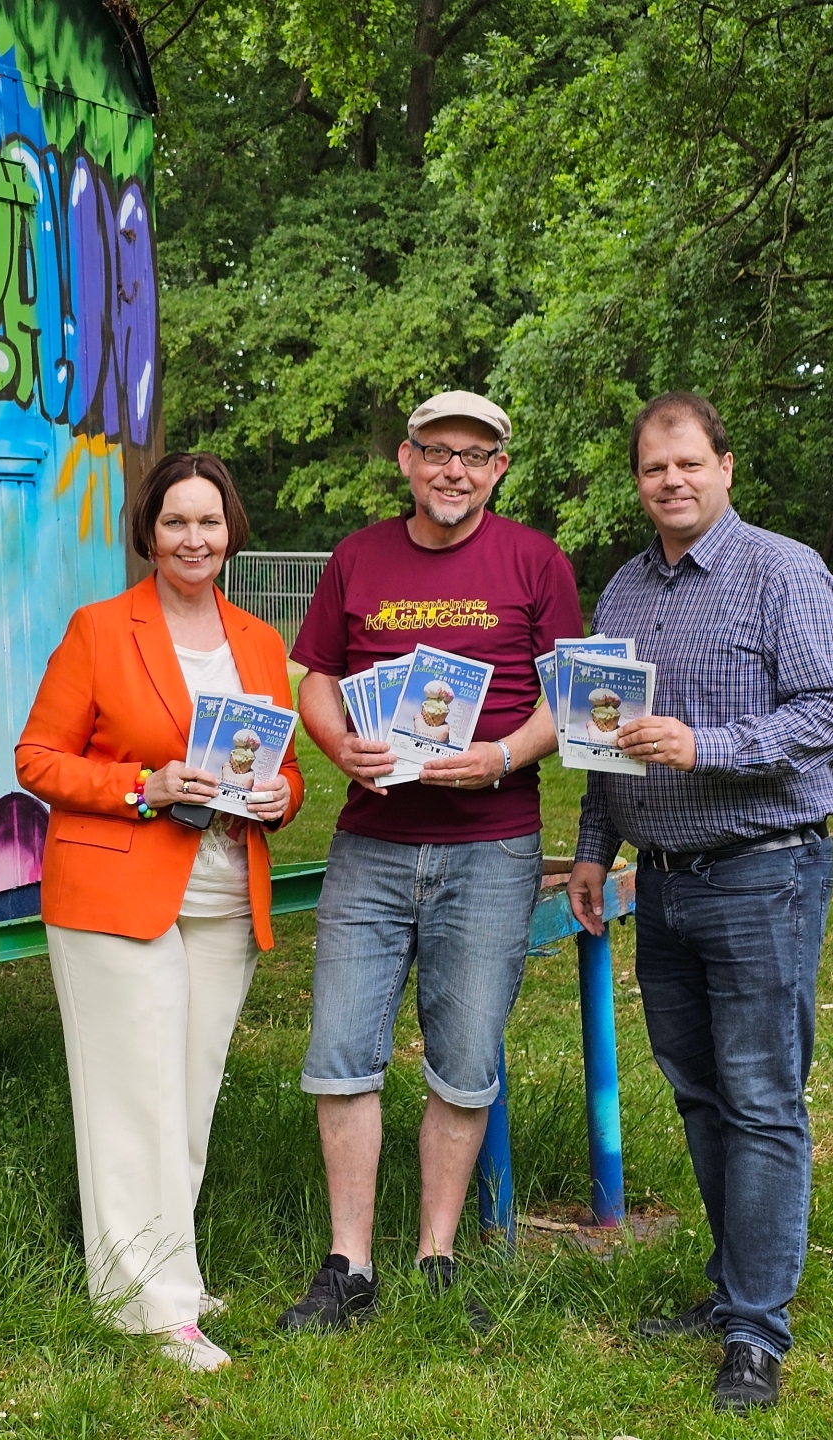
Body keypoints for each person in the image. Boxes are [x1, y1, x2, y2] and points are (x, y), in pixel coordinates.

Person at [566, 392, 833, 1412]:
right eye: (655, 469)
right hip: (667, 886)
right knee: (698, 1093)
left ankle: (756, 1334)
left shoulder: (782, 573)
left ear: (726, 467)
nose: (673, 481)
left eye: (689, 463)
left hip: (762, 874)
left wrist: (710, 745)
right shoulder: (623, 590)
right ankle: (735, 1292)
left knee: (762, 1099)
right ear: (640, 482)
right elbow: (601, 736)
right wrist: (593, 851)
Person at [280, 391, 583, 1330]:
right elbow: (315, 674)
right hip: (372, 843)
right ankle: (349, 1267)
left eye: (475, 455)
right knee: (342, 1050)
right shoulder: (357, 557)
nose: (455, 469)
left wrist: (498, 756)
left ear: (500, 469)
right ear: (407, 460)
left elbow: (573, 696)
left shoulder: (538, 562)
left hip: (491, 847)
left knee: (463, 1056)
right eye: (437, 451)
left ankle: (438, 1255)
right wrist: (340, 747)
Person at [16, 453, 304, 1372]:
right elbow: (36, 758)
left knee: (186, 1099)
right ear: (149, 532)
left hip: (224, 894)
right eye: (176, 523)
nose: (194, 539)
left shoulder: (259, 640)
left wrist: (279, 799)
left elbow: (286, 767)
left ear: (232, 532)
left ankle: (156, 1272)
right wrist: (147, 785)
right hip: (114, 891)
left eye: (209, 523)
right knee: (134, 1098)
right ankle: (152, 1305)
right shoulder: (100, 630)